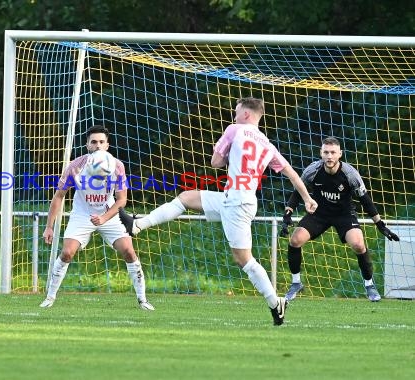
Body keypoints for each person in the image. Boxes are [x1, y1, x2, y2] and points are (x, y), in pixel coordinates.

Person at [121, 97, 318, 325]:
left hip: (236, 202)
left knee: (244, 259)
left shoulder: (235, 130)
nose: (234, 115)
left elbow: (215, 162)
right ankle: (137, 225)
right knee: (186, 197)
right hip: (234, 199)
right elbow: (292, 173)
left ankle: (275, 303)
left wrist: (227, 156)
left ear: (246, 114)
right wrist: (307, 198)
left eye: (236, 112)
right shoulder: (267, 144)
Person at [39, 125, 155, 311]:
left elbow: (122, 199)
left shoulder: (117, 166)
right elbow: (59, 196)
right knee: (67, 253)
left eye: (102, 142)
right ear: (87, 145)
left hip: (108, 214)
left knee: (129, 251)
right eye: (94, 142)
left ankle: (143, 300)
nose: (98, 145)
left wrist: (104, 217)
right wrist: (49, 226)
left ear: (107, 145)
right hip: (81, 214)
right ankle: (50, 298)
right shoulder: (76, 166)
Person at [280, 136, 400, 302]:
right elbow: (297, 192)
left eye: (333, 152)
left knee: (358, 244)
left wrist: (380, 224)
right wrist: (287, 215)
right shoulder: (312, 170)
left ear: (340, 154)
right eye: (326, 152)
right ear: (321, 153)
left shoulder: (350, 174)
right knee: (295, 240)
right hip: (319, 214)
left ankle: (369, 285)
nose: (329, 156)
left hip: (344, 214)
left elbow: (365, 200)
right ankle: (296, 283)